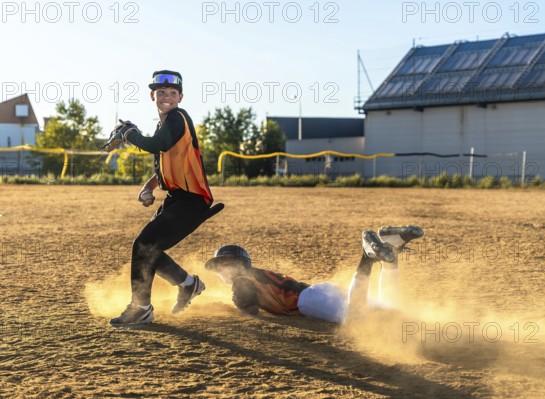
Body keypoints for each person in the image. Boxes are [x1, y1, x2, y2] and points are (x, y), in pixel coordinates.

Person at [107, 70, 218, 327]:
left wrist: (128, 134)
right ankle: (188, 284)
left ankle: (141, 308)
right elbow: (164, 163)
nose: (166, 96)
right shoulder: (165, 124)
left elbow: (157, 144)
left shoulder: (178, 117)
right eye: (161, 92)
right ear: (152, 96)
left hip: (192, 200)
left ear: (180, 97)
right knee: (150, 250)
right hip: (179, 198)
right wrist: (149, 186)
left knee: (144, 245)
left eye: (171, 93)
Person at [204, 226, 424, 324]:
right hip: (319, 292)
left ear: (237, 265)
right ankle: (393, 249)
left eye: (222, 265)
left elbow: (251, 312)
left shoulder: (242, 281)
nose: (220, 270)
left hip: (309, 301)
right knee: (389, 311)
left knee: (355, 319)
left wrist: (235, 308)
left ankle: (366, 258)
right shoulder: (254, 274)